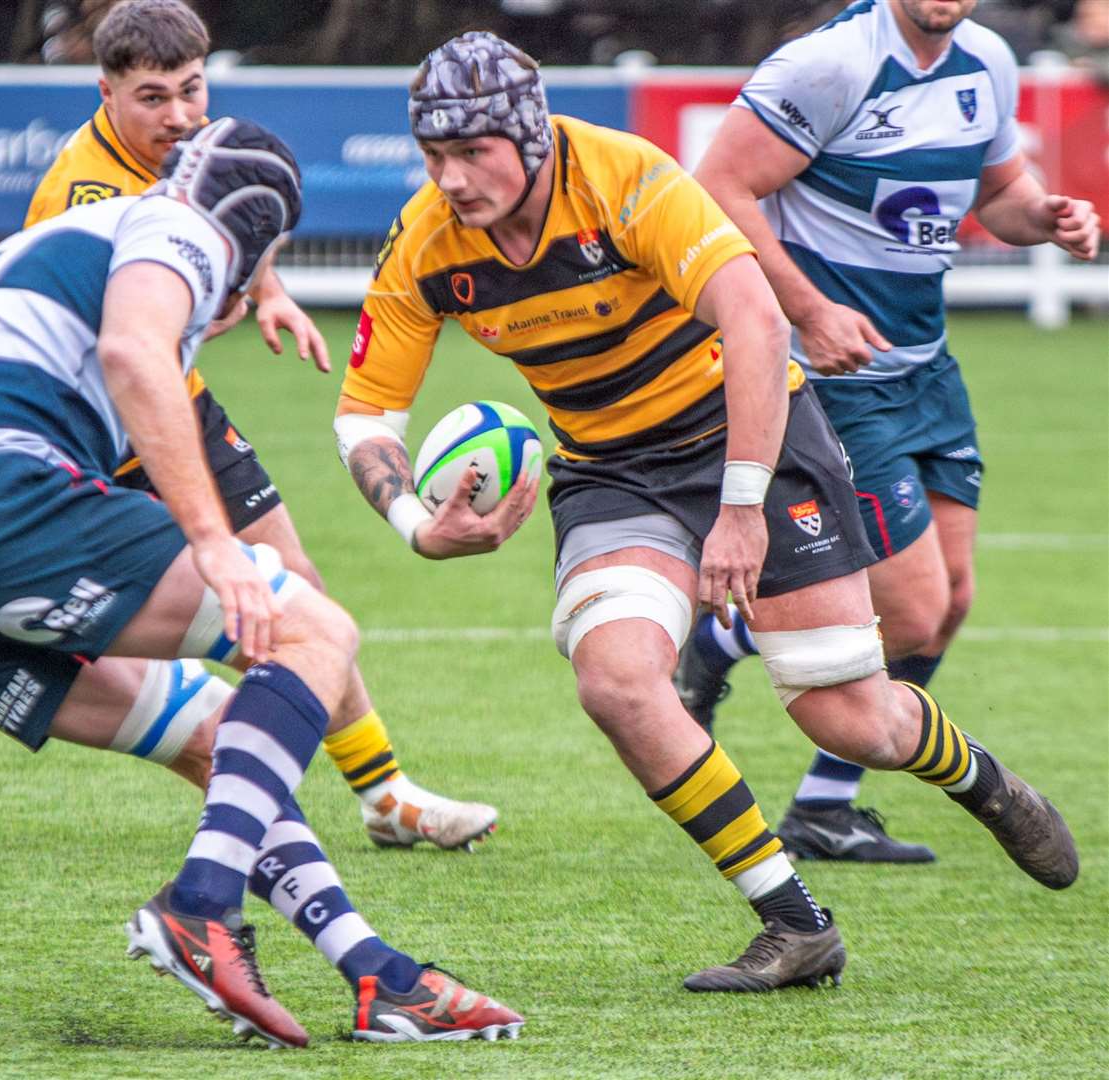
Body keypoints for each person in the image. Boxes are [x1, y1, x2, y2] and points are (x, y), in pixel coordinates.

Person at [334, 30, 1079, 992]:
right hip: (612, 467)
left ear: (531, 136)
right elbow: (366, 415)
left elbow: (756, 321)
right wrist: (412, 525)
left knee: (850, 720)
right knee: (614, 678)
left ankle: (973, 775)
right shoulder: (427, 243)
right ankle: (793, 921)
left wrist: (739, 508)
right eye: (435, 157)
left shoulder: (624, 180)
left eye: (474, 152)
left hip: (751, 427)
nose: (454, 179)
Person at [0, 117, 523, 1047]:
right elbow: (133, 354)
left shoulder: (44, 244)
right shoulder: (181, 225)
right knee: (314, 629)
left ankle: (376, 977)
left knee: (219, 745)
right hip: (0, 500)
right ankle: (200, 906)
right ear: (256, 232)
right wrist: (210, 541)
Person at [0, 0, 498, 853]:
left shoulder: (200, 146)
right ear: (106, 93)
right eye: (153, 98)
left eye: (191, 90)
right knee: (152, 617)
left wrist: (266, 291)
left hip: (176, 395)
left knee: (293, 580)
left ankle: (382, 793)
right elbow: (98, 334)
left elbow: (238, 210)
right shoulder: (78, 192)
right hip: (101, 415)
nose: (180, 115)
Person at [679, 0, 1102, 863]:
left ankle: (822, 808)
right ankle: (720, 636)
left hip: (926, 372)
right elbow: (716, 187)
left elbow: (1002, 196)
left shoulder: (983, 62)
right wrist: (809, 311)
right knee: (909, 612)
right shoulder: (828, 65)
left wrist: (1051, 219)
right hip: (832, 380)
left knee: (948, 606)